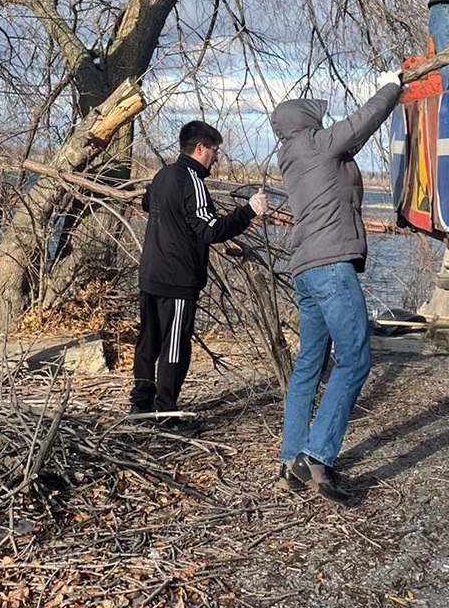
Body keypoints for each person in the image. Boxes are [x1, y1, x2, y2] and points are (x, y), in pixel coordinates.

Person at [270, 73, 403, 504]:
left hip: (306, 271)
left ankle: (292, 460)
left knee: (309, 365)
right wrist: (393, 86)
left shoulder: (296, 154)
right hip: (329, 270)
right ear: (305, 125)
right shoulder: (316, 145)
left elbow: (349, 143)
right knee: (355, 358)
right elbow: (365, 119)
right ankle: (317, 456)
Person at [131, 121, 269, 430]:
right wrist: (248, 211)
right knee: (174, 346)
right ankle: (165, 414)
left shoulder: (162, 175)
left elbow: (146, 202)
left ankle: (140, 405)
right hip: (177, 280)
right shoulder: (191, 180)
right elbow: (210, 230)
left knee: (147, 342)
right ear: (200, 148)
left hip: (150, 274)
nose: (217, 158)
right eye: (215, 151)